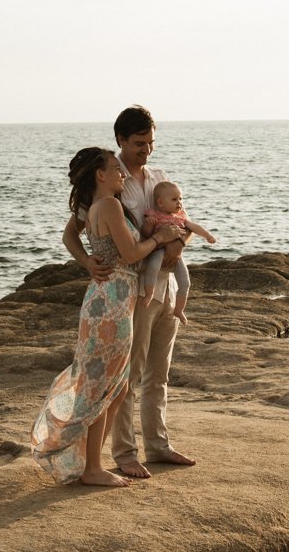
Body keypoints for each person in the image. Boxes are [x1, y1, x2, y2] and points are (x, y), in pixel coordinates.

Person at [33, 147, 182, 487]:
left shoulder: (103, 207)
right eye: (115, 168)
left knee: (112, 386)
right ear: (100, 175)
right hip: (112, 301)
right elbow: (130, 254)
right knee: (103, 386)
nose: (121, 174)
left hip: (112, 300)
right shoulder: (110, 206)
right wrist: (160, 237)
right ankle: (92, 469)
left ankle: (90, 463)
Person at [62, 105, 197, 481]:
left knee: (159, 372)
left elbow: (180, 221)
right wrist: (87, 263)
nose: (147, 150)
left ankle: (159, 444)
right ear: (121, 140)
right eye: (140, 143)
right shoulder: (110, 187)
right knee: (127, 375)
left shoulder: (158, 177)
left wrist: (179, 242)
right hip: (132, 291)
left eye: (151, 142)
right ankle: (125, 453)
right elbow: (73, 232)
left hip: (165, 287)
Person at [139, 180, 216, 324]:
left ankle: (179, 310)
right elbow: (146, 234)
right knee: (153, 268)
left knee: (185, 281)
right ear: (161, 203)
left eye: (180, 199)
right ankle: (149, 293)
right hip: (159, 250)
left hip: (176, 253)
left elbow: (194, 227)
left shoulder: (181, 217)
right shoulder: (154, 215)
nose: (179, 202)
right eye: (174, 199)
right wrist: (148, 224)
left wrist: (207, 236)